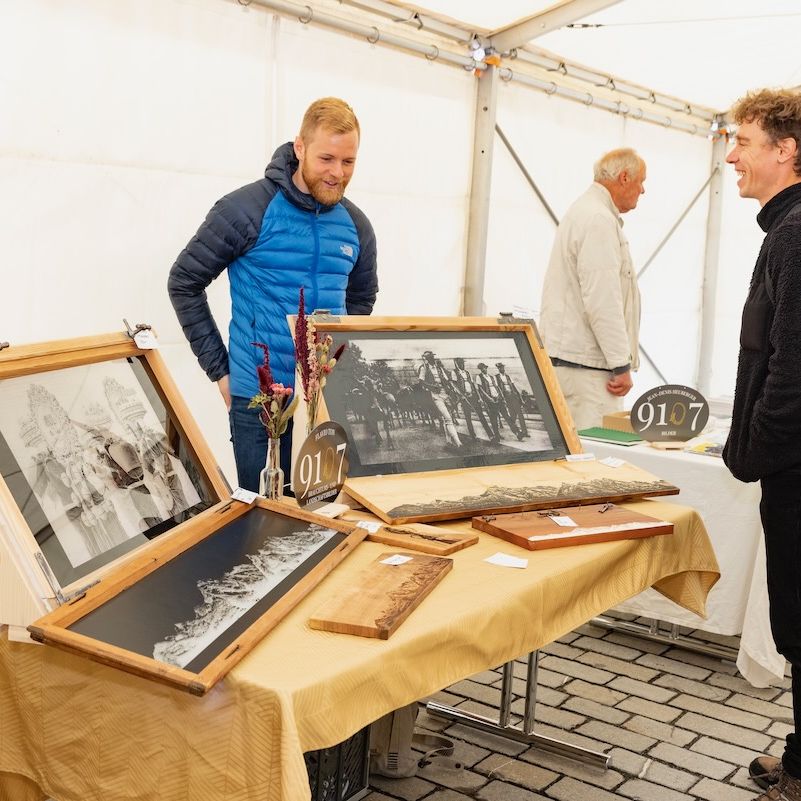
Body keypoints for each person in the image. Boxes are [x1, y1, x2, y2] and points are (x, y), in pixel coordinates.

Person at [168, 97, 378, 492]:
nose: (337, 173)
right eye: (326, 158)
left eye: (348, 162)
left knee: (323, 514)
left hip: (325, 405)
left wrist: (335, 366)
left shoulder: (356, 225)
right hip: (261, 402)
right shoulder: (244, 209)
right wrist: (221, 371)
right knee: (263, 520)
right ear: (300, 147)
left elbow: (361, 299)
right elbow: (184, 282)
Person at [722, 88, 801, 801]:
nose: (731, 156)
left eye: (742, 141)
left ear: (787, 149)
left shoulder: (794, 235)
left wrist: (758, 449)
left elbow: (791, 371)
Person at [539, 148, 645, 431]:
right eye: (641, 181)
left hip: (574, 364)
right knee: (594, 452)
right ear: (624, 178)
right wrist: (621, 365)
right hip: (587, 372)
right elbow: (603, 300)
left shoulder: (584, 211)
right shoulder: (598, 219)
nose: (643, 190)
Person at [417, 350, 461, 449]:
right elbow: (421, 382)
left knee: (447, 419)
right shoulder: (424, 368)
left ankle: (449, 442)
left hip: (445, 394)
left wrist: (452, 387)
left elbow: (447, 379)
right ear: (427, 359)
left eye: (433, 357)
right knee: (448, 418)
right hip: (436, 396)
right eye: (430, 357)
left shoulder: (439, 368)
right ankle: (458, 443)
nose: (432, 359)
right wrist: (432, 386)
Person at [450, 357, 492, 441]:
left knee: (481, 415)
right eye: (461, 363)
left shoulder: (467, 372)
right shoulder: (454, 372)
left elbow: (473, 385)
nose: (462, 364)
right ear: (457, 364)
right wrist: (461, 395)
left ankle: (490, 435)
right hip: (464, 397)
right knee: (468, 417)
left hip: (473, 396)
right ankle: (473, 435)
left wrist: (479, 397)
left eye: (463, 363)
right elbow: (454, 385)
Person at [494, 362, 528, 439]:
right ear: (498, 368)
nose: (501, 368)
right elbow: (497, 388)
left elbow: (514, 387)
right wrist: (501, 398)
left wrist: (520, 398)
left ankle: (524, 432)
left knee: (520, 413)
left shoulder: (508, 376)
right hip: (506, 398)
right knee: (512, 415)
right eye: (500, 367)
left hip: (513, 396)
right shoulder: (496, 377)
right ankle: (515, 429)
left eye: (502, 367)